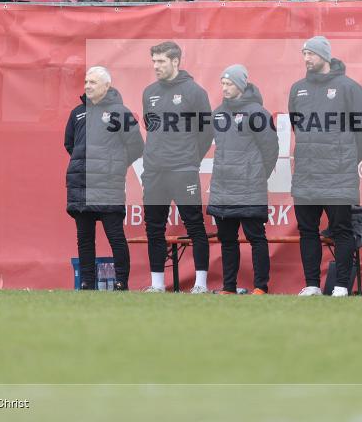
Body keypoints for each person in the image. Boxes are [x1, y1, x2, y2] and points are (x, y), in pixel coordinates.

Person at [288, 36, 362, 297]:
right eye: (304, 54)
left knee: (341, 231)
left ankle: (340, 286)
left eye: (311, 54)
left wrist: (347, 158)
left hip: (338, 175)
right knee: (308, 231)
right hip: (306, 174)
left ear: (324, 56)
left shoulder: (349, 88)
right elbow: (297, 126)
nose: (306, 59)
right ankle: (312, 284)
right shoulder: (297, 89)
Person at [141, 41, 213, 293]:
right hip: (154, 172)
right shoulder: (149, 92)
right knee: (154, 228)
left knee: (194, 225)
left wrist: (191, 158)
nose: (156, 66)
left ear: (175, 62)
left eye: (161, 61)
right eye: (154, 62)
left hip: (184, 170)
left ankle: (201, 284)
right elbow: (151, 128)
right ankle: (157, 284)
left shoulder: (194, 92)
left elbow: (207, 132)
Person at [65, 66, 144, 291]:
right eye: (86, 82)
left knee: (115, 236)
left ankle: (121, 283)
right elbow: (70, 144)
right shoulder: (77, 113)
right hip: (82, 184)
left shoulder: (121, 112)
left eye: (93, 82)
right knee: (85, 238)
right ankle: (87, 283)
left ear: (107, 86)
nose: (88, 86)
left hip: (109, 185)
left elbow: (137, 146)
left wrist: (113, 166)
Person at [208, 65, 278, 295]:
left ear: (241, 85)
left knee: (256, 238)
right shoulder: (218, 112)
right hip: (223, 187)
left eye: (229, 84)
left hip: (250, 187)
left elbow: (271, 150)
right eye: (223, 84)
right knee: (227, 240)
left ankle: (260, 287)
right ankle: (229, 287)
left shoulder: (257, 113)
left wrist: (257, 174)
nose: (225, 88)